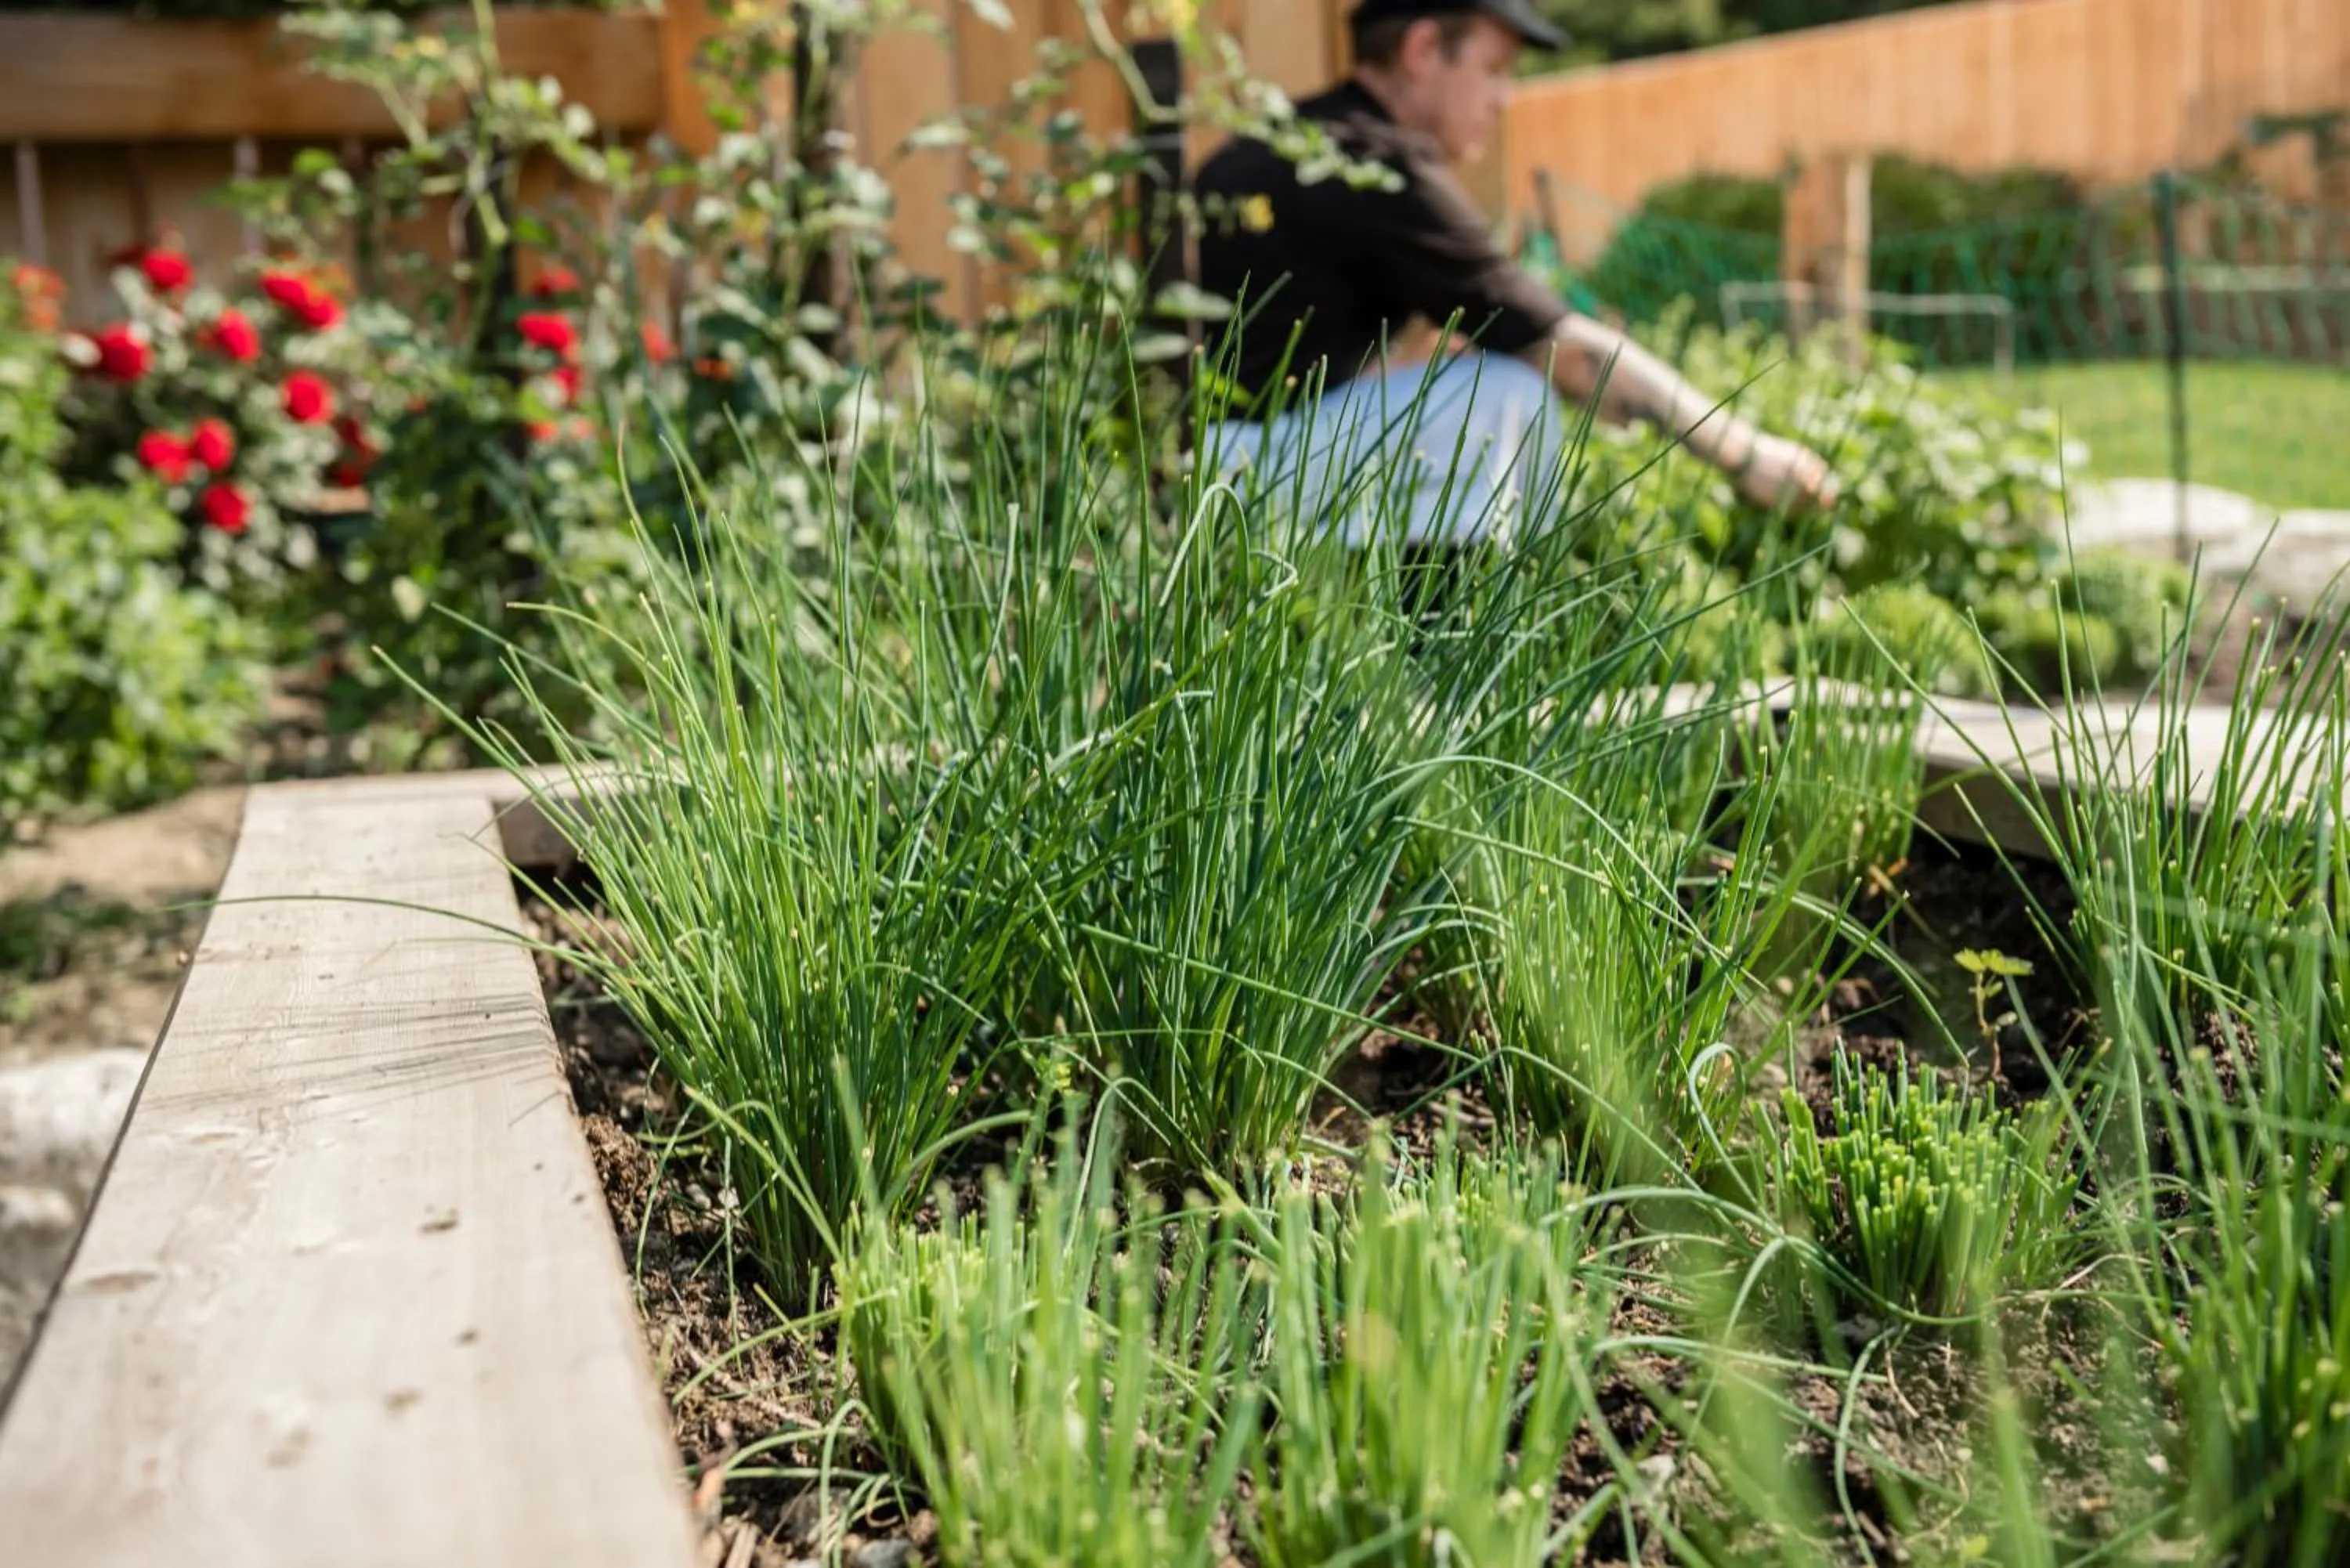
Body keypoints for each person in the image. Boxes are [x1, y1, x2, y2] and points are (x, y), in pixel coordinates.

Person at [1188, 0, 1838, 556]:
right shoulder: (1377, 164)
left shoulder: (1290, 138)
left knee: (1464, 373)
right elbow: (1565, 349)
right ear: (1422, 50)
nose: (1506, 97)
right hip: (1236, 479)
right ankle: (1443, 641)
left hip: (1203, 464)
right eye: (1494, 69)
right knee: (1503, 395)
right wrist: (1744, 454)